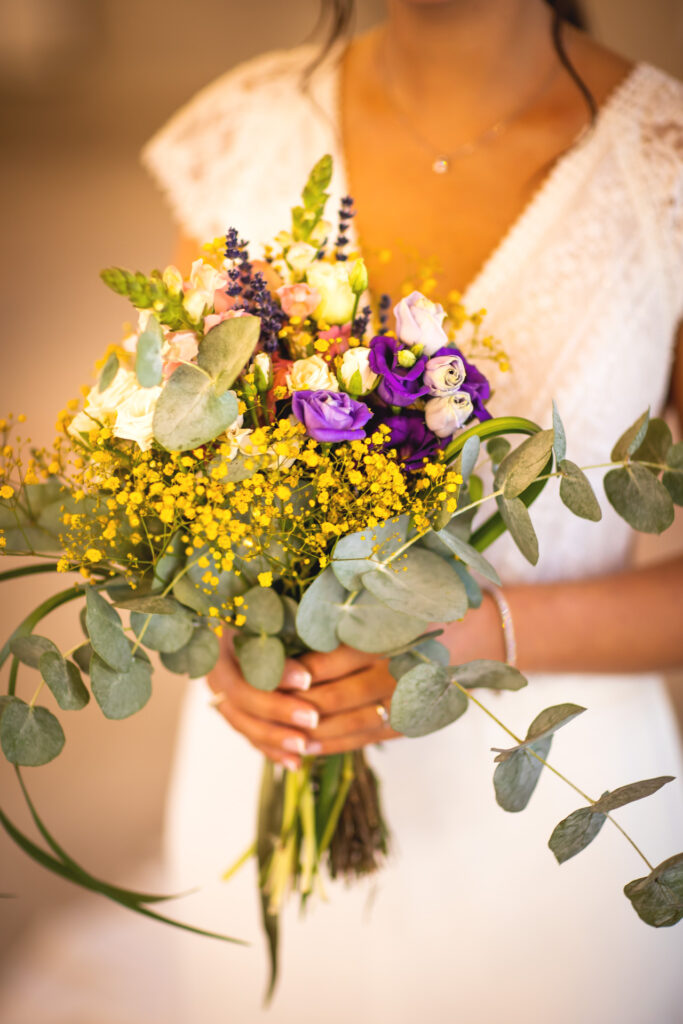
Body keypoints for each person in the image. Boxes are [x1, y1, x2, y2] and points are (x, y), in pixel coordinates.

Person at [142, 1, 683, 1020]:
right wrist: (216, 628)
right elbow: (173, 452)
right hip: (260, 769)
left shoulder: (666, 171)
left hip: (543, 851)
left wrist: (475, 631)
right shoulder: (247, 132)